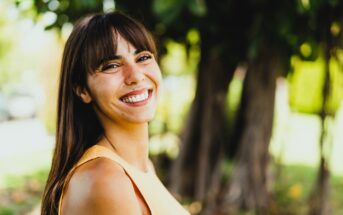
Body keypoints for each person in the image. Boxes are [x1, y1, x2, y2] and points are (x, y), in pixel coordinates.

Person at [41, 11, 190, 215]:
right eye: (111, 66)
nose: (136, 76)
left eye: (143, 57)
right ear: (82, 90)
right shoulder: (105, 180)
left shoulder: (139, 166)